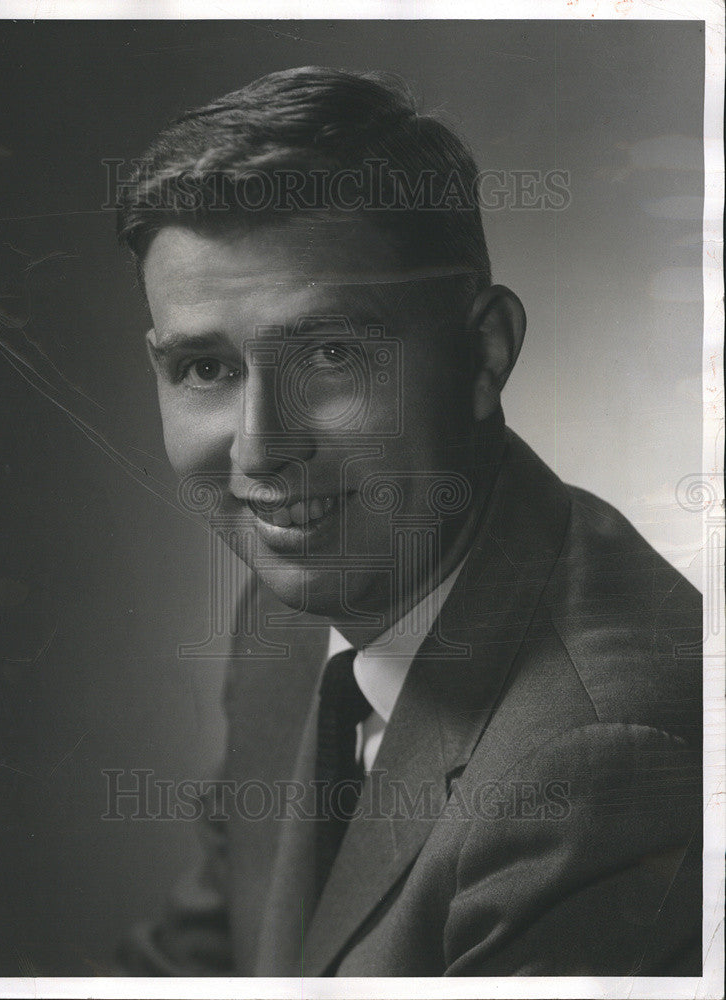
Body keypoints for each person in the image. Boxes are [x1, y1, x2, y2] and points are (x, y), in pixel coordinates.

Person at [114, 66, 702, 976]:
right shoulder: (289, 616)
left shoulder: (604, 761)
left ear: (482, 353)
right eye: (204, 369)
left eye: (332, 353)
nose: (261, 453)